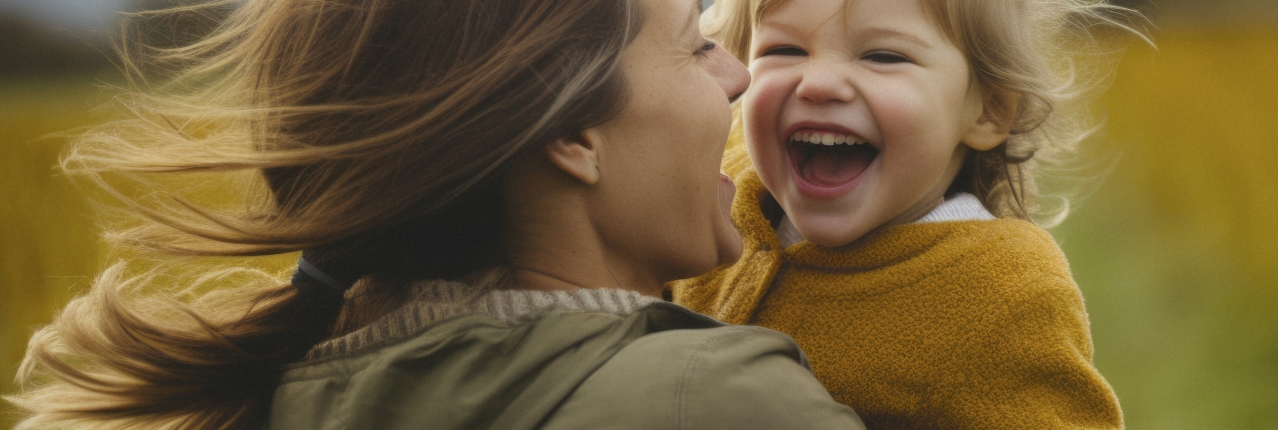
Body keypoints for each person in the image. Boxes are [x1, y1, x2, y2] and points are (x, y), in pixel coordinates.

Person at [6, 0, 867, 428]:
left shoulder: (294, 394)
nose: (739, 75)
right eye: (696, 44)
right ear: (570, 133)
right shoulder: (713, 400)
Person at [670, 0, 1147, 427]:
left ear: (987, 111)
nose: (819, 84)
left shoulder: (1001, 294)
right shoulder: (711, 199)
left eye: (883, 57)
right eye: (784, 50)